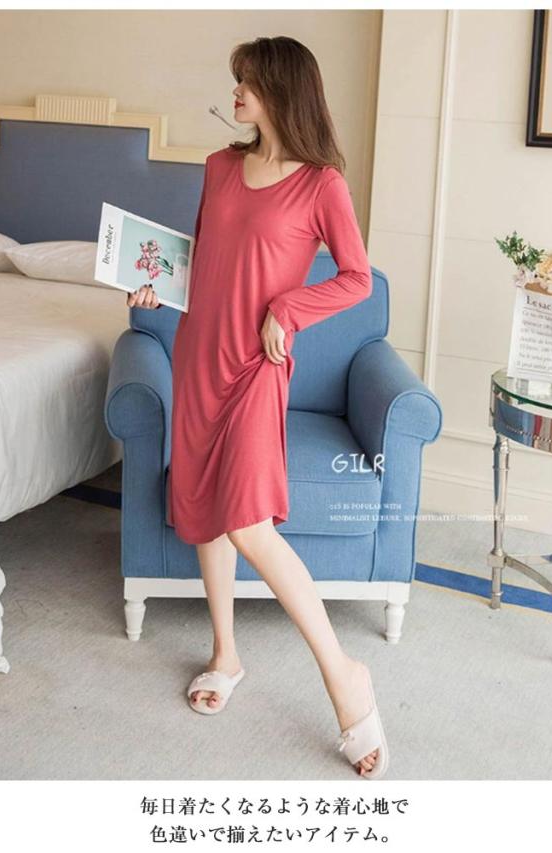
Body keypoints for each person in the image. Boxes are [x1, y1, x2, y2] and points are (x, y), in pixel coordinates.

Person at [127, 36, 388, 780]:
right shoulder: (218, 166)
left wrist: (289, 307)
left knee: (246, 521)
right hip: (198, 355)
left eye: (247, 82)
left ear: (280, 90)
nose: (236, 92)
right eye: (237, 81)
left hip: (255, 366)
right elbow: (201, 260)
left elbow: (357, 277)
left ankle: (343, 673)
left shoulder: (322, 184)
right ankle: (226, 654)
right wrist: (154, 287)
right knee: (208, 507)